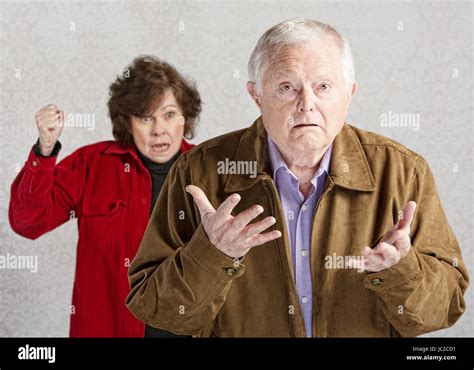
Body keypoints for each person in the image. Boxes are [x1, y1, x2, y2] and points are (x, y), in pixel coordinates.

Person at [126, 19, 469, 337]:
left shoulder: (403, 171)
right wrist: (213, 254)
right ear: (256, 95)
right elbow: (156, 310)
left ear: (349, 93)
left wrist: (401, 271)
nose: (307, 104)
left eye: (323, 86)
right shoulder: (197, 171)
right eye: (287, 87)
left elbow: (446, 309)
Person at [9, 55, 201, 337]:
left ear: (185, 117)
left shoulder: (207, 168)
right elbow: (28, 222)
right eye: (146, 117)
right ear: (127, 122)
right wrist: (44, 151)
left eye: (169, 115)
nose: (159, 129)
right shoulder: (91, 164)